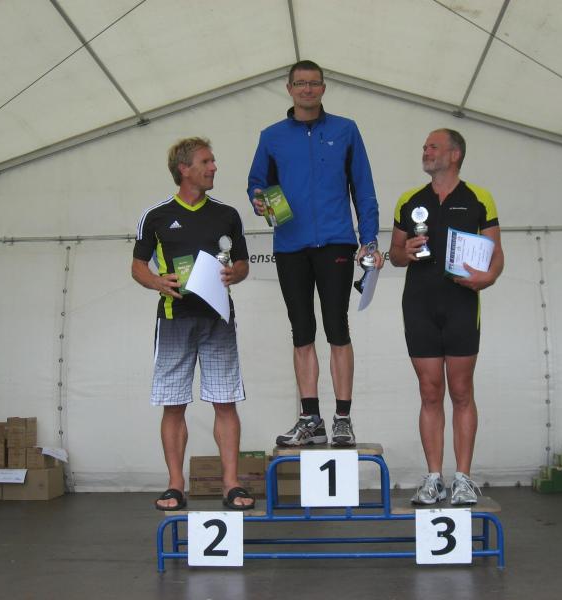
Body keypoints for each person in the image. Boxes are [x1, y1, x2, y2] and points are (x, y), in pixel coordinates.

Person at [247, 60, 383, 447]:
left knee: (337, 328)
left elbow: (364, 188)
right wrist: (258, 199)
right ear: (289, 88)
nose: (307, 90)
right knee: (302, 331)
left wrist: (369, 239)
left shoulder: (345, 130)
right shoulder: (271, 136)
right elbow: (257, 183)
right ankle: (310, 420)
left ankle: (342, 419)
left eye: (314, 83)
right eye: (300, 84)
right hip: (291, 244)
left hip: (336, 242)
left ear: (324, 88)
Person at [132, 137, 254, 511]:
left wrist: (236, 273)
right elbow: (138, 267)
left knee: (225, 401)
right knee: (173, 405)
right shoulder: (155, 216)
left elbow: (243, 264)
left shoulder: (227, 214)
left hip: (218, 319)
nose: (214, 167)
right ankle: (175, 485)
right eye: (206, 161)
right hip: (174, 320)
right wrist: (157, 282)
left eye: (213, 161)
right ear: (184, 168)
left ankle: (231, 484)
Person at [389, 129, 504, 506]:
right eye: (424, 147)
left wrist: (488, 277)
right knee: (429, 391)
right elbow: (394, 254)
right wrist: (405, 251)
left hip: (461, 303)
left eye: (433, 147)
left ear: (454, 155)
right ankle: (434, 477)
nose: (426, 151)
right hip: (419, 304)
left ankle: (464, 479)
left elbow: (496, 253)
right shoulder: (409, 200)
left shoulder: (479, 198)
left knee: (461, 391)